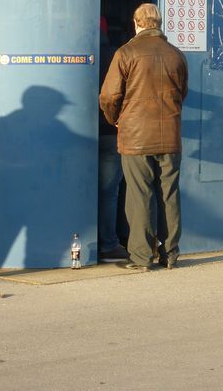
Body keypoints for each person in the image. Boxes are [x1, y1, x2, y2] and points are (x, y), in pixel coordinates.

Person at [99, 3, 188, 272]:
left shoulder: (126, 53)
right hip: (170, 135)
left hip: (135, 136)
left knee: (139, 195)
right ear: (159, 23)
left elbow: (109, 96)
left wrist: (116, 119)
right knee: (168, 194)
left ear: (136, 23)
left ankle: (140, 258)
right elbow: (181, 93)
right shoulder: (176, 55)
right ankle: (170, 254)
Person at [97, 17, 129, 263]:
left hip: (80, 134)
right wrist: (114, 119)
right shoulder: (117, 55)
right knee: (110, 191)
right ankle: (109, 244)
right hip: (111, 134)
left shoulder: (82, 55)